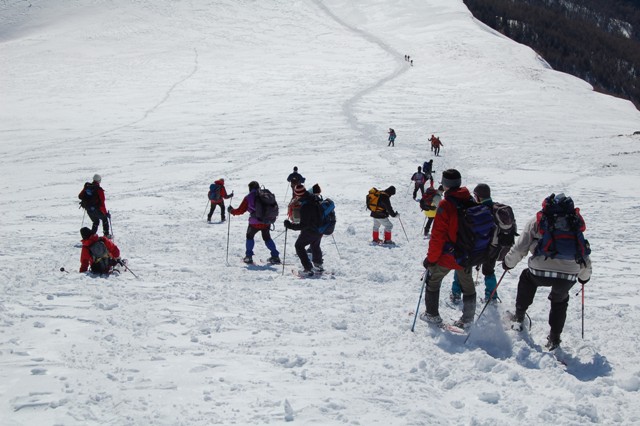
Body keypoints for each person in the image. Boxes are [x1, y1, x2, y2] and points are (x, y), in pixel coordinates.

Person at [503, 193, 592, 350]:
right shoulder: (574, 223)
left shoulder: (538, 220)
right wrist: (584, 277)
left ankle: (519, 317)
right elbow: (582, 252)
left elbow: (520, 248)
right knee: (560, 300)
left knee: (527, 278)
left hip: (539, 269)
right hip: (569, 273)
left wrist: (508, 264)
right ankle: (554, 338)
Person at [420, 169, 477, 329]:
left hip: (449, 255)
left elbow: (437, 236)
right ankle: (468, 319)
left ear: (445, 184)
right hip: (466, 254)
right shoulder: (470, 199)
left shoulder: (446, 204)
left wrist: (431, 259)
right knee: (467, 284)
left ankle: (432, 315)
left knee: (433, 280)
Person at [450, 183, 502, 303]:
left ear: (478, 196)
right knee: (489, 272)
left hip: (475, 248)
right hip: (493, 249)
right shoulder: (496, 209)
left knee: (462, 268)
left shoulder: (476, 210)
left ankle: (456, 293)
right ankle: (491, 296)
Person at [228, 181, 281, 265]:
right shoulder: (266, 195)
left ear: (250, 188)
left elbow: (240, 210)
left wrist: (231, 211)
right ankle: (275, 256)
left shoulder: (249, 197)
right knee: (267, 238)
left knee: (250, 237)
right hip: (266, 221)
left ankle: (248, 257)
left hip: (254, 223)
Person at [283, 184, 324, 277]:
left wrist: (289, 225)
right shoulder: (314, 198)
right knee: (315, 245)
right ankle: (318, 265)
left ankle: (308, 269)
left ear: (298, 195)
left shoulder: (305, 206)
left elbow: (303, 225)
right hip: (320, 229)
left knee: (299, 246)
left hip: (311, 230)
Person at [78, 174, 111, 238]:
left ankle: (92, 236)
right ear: (99, 181)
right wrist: (105, 213)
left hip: (88, 208)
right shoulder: (99, 190)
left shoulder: (87, 186)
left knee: (95, 221)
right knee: (104, 218)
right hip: (96, 209)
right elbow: (102, 203)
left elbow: (80, 196)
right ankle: (106, 235)